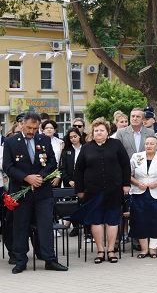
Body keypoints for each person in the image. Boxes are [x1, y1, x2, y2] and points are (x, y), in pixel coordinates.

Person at [2, 111, 69, 274]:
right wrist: (27, 178)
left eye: (35, 128)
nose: (32, 131)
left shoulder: (44, 140)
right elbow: (8, 167)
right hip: (21, 192)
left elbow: (52, 162)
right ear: (22, 124)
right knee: (20, 226)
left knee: (45, 225)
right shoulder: (11, 142)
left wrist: (41, 176)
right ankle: (20, 260)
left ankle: (50, 259)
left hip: (42, 192)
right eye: (29, 127)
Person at [72, 117, 131, 264]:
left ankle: (111, 250)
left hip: (114, 189)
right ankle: (100, 250)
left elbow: (125, 165)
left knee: (112, 220)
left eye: (102, 130)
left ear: (107, 131)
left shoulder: (116, 144)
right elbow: (78, 170)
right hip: (93, 191)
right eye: (96, 130)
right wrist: (79, 189)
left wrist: (126, 184)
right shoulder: (86, 147)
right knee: (96, 220)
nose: (99, 133)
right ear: (93, 132)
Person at [129, 135, 157, 258]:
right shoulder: (136, 157)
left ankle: (153, 248)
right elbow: (129, 175)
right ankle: (144, 249)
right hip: (138, 193)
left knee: (155, 220)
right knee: (140, 220)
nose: (148, 146)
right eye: (147, 143)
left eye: (151, 144)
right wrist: (137, 183)